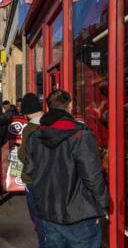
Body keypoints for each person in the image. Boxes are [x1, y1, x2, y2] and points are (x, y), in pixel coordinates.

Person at [23, 90, 108, 247]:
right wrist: (103, 205)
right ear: (70, 106)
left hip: (48, 212)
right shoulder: (81, 135)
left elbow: (28, 173)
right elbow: (93, 177)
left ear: (48, 108)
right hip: (80, 215)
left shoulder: (34, 137)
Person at [17, 93, 44, 246]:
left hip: (33, 178)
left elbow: (23, 155)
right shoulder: (50, 123)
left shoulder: (29, 129)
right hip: (51, 178)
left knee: (38, 218)